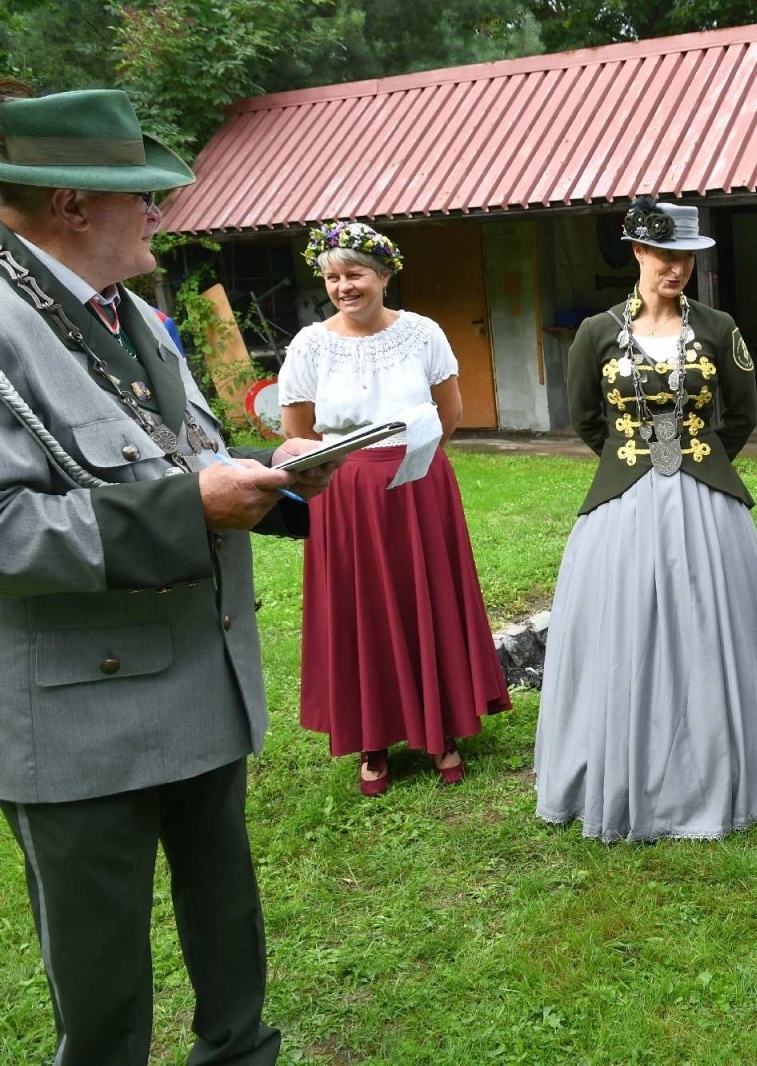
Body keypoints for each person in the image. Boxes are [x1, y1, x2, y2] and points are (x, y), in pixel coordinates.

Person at [0, 88, 339, 1066]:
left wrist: (277, 479)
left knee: (228, 936)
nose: (160, 210)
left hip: (198, 684)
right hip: (80, 720)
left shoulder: (129, 314)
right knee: (104, 991)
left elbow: (172, 455)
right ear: (73, 205)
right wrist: (188, 507)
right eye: (142, 194)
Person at [535, 198, 757, 841]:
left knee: (713, 624)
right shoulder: (596, 332)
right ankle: (623, 765)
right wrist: (636, 461)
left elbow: (740, 414)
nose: (677, 269)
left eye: (687, 258)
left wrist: (694, 460)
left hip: (703, 494)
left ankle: (723, 760)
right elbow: (586, 418)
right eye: (665, 256)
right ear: (637, 252)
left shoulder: (720, 328)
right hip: (626, 498)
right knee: (624, 629)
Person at [278, 221, 511, 795]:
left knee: (424, 596)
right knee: (360, 606)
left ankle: (442, 729)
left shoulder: (423, 333)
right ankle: (372, 738)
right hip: (345, 493)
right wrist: (347, 469)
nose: (343, 286)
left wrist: (414, 459)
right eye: (332, 277)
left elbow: (449, 410)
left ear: (383, 275)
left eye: (355, 273)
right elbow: (297, 433)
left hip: (419, 481)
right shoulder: (309, 345)